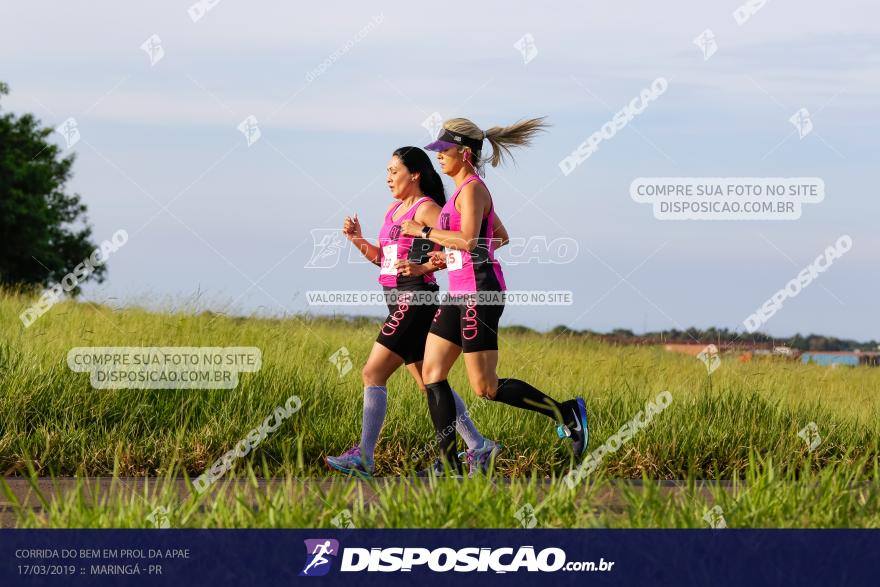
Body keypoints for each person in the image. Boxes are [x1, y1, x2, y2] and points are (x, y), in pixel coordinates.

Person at [400, 118, 589, 472]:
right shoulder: (462, 191)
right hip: (459, 292)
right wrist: (444, 259)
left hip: (479, 294)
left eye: (444, 150)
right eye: (437, 151)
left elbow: (471, 240)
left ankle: (564, 412)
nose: (439, 157)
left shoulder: (472, 189)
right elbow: (498, 238)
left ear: (465, 153)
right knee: (432, 373)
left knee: (485, 387)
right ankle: (448, 464)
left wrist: (424, 229)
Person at [324, 147, 500, 478]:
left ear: (414, 174)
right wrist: (356, 239)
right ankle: (478, 445)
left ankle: (364, 456)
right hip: (397, 298)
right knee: (428, 383)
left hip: (416, 300)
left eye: (394, 171)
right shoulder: (394, 211)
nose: (389, 177)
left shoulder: (428, 209)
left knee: (371, 373)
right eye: (387, 171)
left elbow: (460, 246)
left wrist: (424, 266)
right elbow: (384, 261)